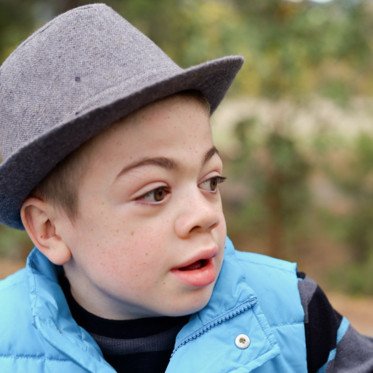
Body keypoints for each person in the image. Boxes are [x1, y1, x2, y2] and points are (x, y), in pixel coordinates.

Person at [0, 3, 372, 373]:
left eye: (210, 182)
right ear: (50, 229)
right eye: (156, 193)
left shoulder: (295, 314)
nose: (204, 214)